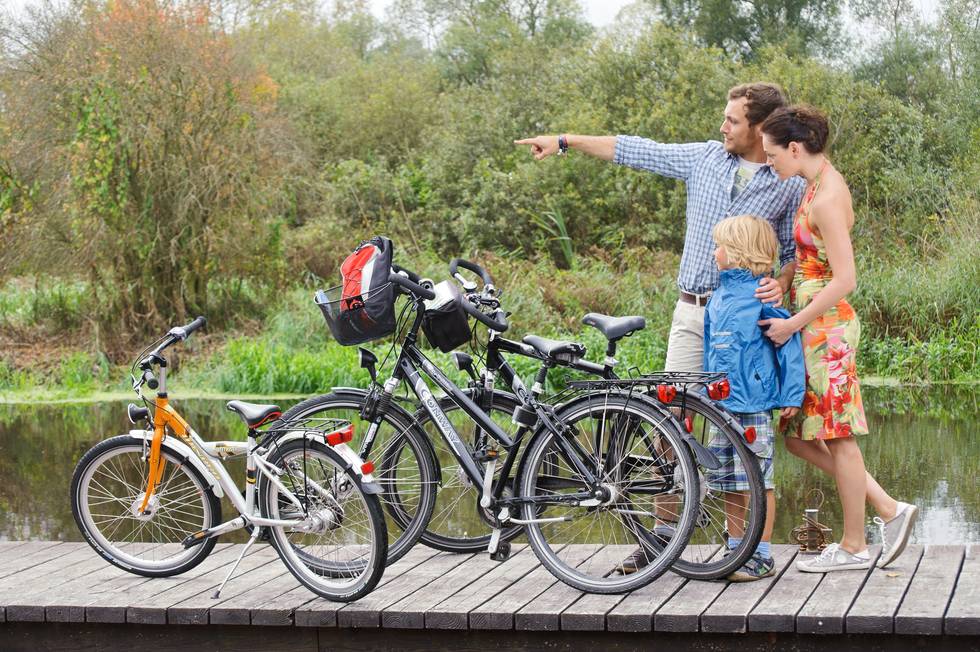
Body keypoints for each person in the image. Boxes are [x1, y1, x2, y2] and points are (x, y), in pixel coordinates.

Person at [516, 82, 805, 574]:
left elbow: (793, 250)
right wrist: (566, 141)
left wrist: (780, 282)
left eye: (732, 120)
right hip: (694, 317)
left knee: (739, 432)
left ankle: (746, 551)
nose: (722, 127)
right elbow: (636, 150)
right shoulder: (706, 158)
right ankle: (660, 542)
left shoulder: (787, 181)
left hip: (742, 325)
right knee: (666, 425)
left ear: (759, 128)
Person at [758, 106, 917, 572]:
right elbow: (811, 262)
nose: (770, 163)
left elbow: (844, 278)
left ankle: (854, 545)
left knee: (839, 437)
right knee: (797, 439)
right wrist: (786, 286)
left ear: (794, 147)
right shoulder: (812, 185)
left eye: (772, 155)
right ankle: (888, 508)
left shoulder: (827, 196)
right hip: (811, 324)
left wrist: (792, 322)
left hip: (827, 328)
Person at [704, 215, 805, 581]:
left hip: (754, 403)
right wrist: (705, 391)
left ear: (739, 253)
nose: (715, 252)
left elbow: (788, 342)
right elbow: (709, 350)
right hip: (720, 405)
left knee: (761, 480)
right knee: (729, 480)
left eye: (720, 246)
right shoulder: (717, 298)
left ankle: (761, 553)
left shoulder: (762, 294)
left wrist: (791, 392)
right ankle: (735, 549)